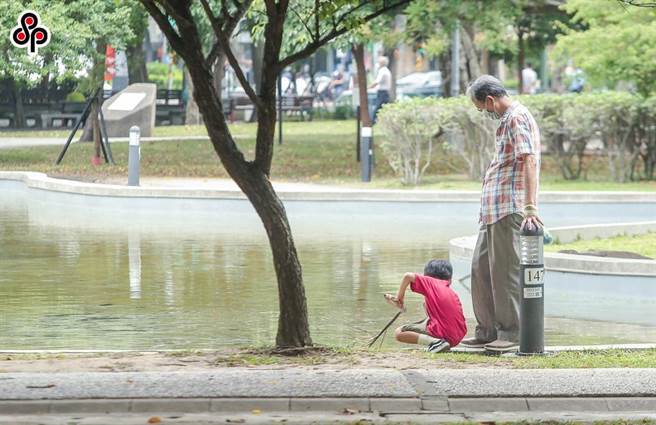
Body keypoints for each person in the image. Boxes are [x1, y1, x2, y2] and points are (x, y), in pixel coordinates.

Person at [462, 75, 542, 353]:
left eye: (482, 109)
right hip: (492, 211)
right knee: (480, 270)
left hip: (509, 207)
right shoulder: (507, 119)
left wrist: (530, 207)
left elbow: (528, 159)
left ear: (490, 100)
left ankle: (510, 334)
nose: (484, 114)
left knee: (504, 274)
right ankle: (487, 331)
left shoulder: (516, 117)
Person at [387, 259, 467, 353]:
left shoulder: (430, 282)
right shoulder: (451, 291)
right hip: (458, 336)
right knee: (425, 304)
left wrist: (399, 298)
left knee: (399, 332)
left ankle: (436, 342)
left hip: (445, 334)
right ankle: (438, 342)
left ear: (427, 276)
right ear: (450, 279)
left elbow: (407, 276)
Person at [369, 56, 392, 124]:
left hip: (382, 93)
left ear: (381, 63)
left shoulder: (382, 71)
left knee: (377, 108)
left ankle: (372, 123)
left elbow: (377, 82)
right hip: (385, 92)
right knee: (384, 108)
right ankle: (385, 122)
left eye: (379, 62)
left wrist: (368, 87)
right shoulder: (386, 70)